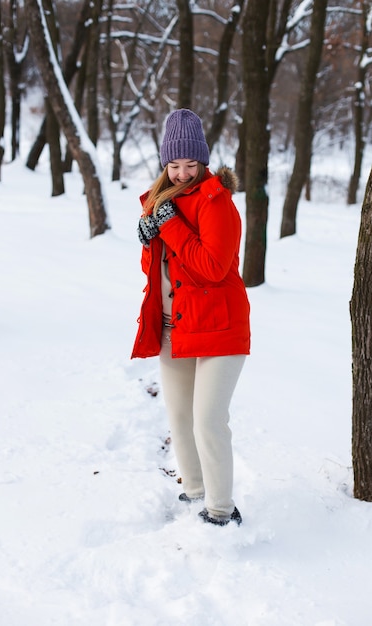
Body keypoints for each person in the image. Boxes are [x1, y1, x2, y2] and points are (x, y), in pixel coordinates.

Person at [131, 109, 250, 526]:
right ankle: (195, 489)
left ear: (203, 161)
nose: (182, 173)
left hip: (219, 327)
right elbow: (159, 271)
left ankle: (221, 510)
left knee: (208, 421)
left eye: (190, 165)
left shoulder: (217, 203)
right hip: (173, 326)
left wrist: (171, 229)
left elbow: (212, 268)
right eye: (174, 164)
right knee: (180, 417)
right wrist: (150, 240)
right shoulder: (160, 201)